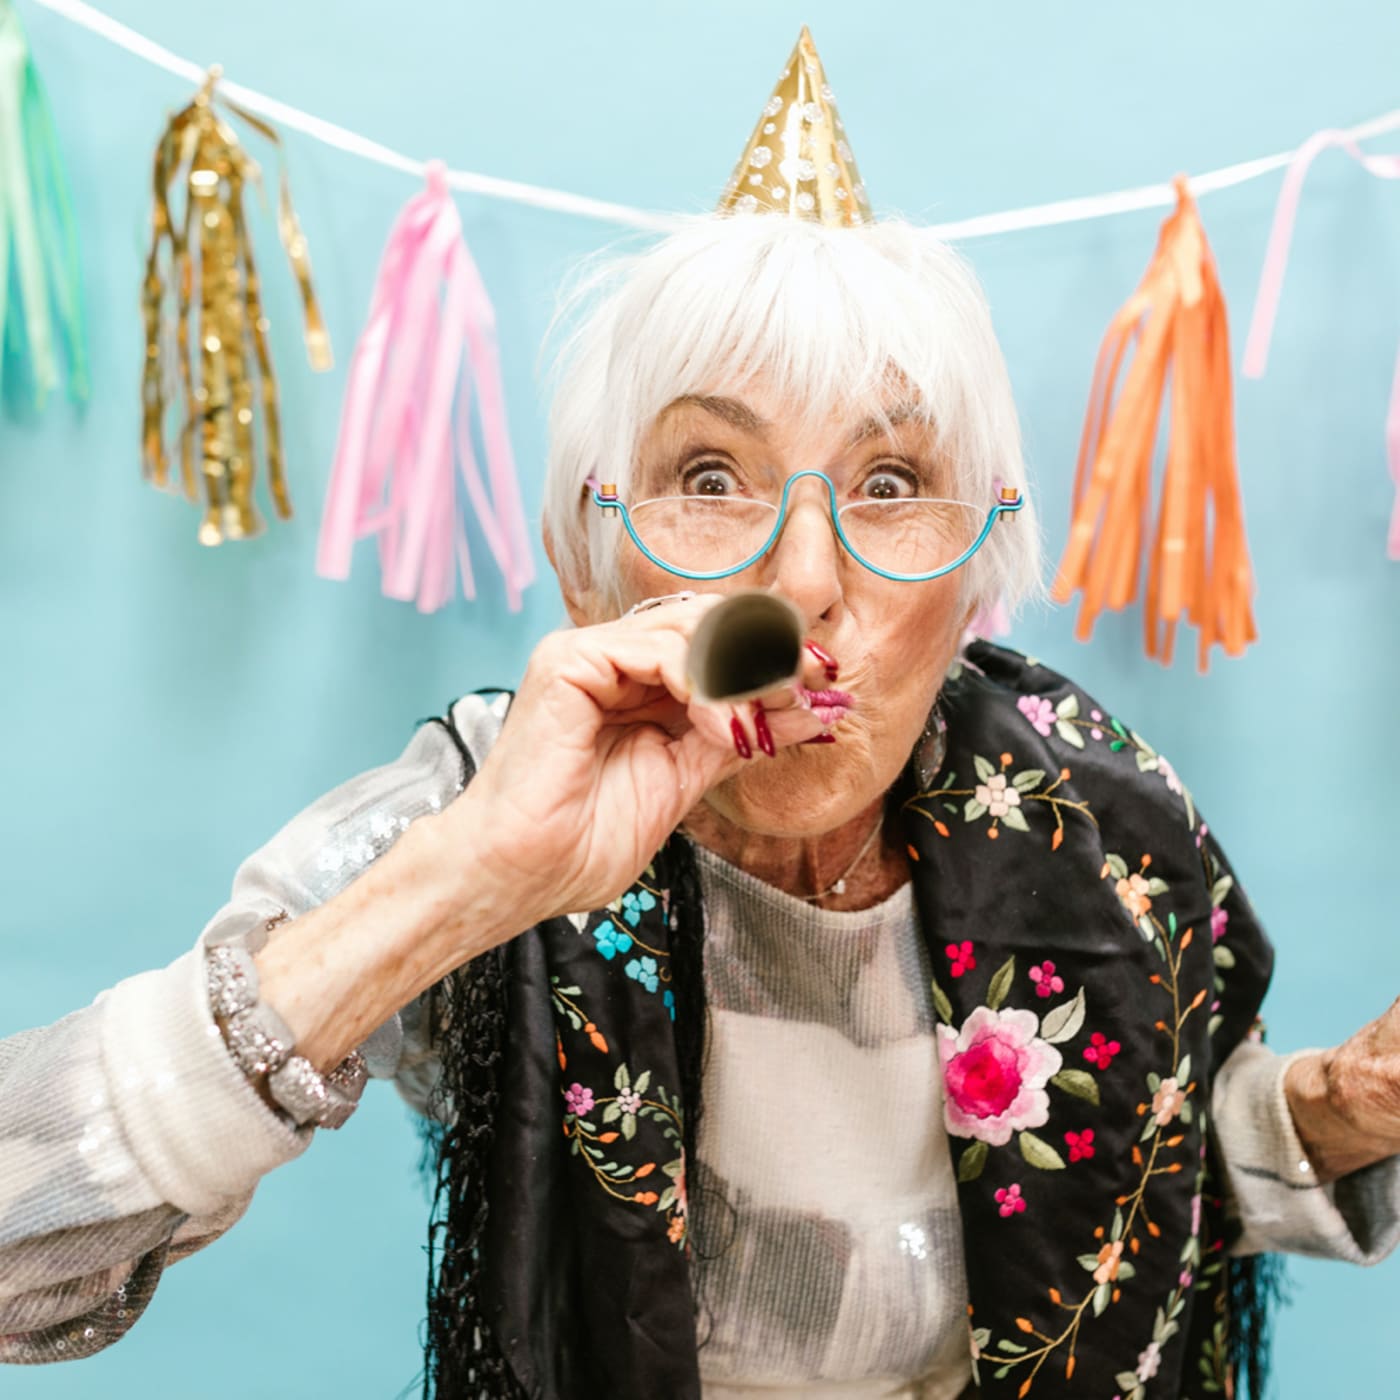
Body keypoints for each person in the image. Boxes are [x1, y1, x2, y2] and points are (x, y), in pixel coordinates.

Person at [3, 28, 1399, 1400]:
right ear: (588, 558)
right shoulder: (488, 803)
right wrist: (470, 881)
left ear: (979, 569)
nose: (802, 586)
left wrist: (1329, 1112)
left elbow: (1137, 1170)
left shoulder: (1098, 820)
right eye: (713, 476)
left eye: (895, 482)